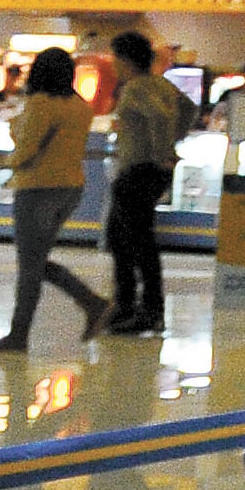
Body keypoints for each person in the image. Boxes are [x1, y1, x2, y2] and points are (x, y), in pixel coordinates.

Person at [0, 50, 111, 359]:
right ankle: (91, 303)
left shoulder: (40, 104)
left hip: (37, 188)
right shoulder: (80, 107)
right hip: (70, 188)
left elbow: (25, 150)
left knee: (30, 265)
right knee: (35, 260)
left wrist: (2, 160)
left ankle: (20, 333)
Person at [103, 34, 186, 337]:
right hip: (148, 171)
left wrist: (162, 152)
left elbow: (160, 116)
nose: (113, 64)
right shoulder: (163, 84)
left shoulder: (136, 87)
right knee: (125, 237)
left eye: (115, 58)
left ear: (125, 60)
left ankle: (143, 309)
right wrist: (172, 144)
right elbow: (187, 110)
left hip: (138, 170)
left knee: (133, 241)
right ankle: (129, 305)